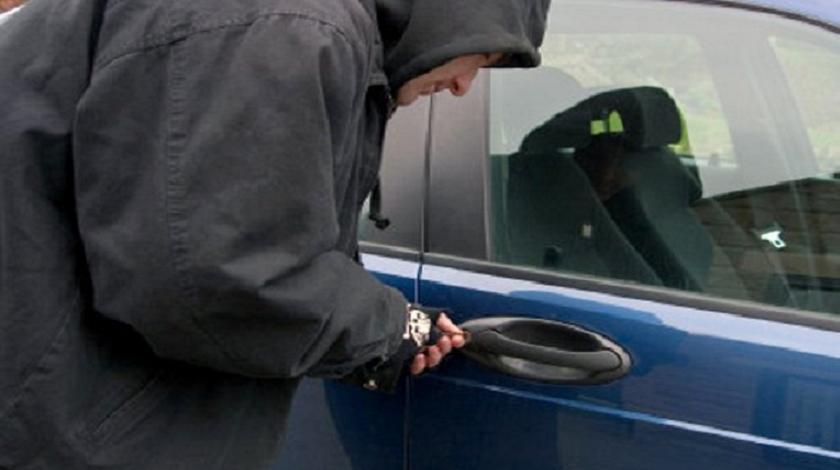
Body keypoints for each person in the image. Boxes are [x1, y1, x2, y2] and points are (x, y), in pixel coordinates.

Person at [0, 0, 549, 468]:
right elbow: (221, 279)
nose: (463, 86)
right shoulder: (283, 24)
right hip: (77, 430)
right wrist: (389, 327)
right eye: (485, 56)